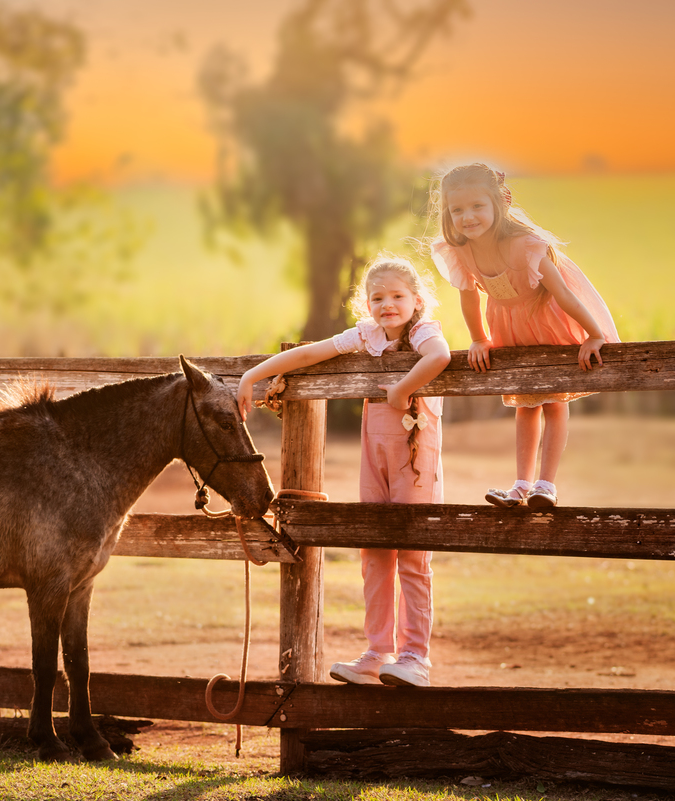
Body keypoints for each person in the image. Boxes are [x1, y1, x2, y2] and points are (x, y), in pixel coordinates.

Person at [237, 255, 451, 687]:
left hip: (415, 459)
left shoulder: (423, 332)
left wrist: (403, 389)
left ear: (417, 299)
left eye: (396, 296)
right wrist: (252, 375)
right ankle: (377, 651)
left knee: (411, 553)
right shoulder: (367, 336)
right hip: (374, 458)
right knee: (372, 552)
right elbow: (312, 351)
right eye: (377, 297)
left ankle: (415, 657)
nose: (386, 304)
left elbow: (441, 356)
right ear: (365, 304)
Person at [430, 163, 619, 510]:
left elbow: (563, 293)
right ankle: (520, 485)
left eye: (476, 206)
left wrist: (594, 334)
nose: (467, 217)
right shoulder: (459, 250)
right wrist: (478, 338)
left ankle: (545, 485)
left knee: (553, 401)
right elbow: (469, 295)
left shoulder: (525, 245)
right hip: (509, 326)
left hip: (546, 321)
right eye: (457, 210)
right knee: (526, 405)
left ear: (498, 203)